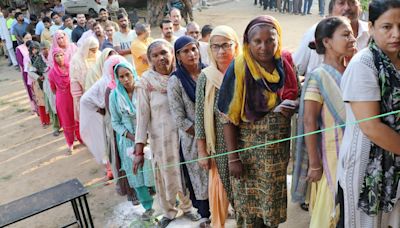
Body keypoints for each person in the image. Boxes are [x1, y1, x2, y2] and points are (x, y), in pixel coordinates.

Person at [217, 15, 299, 227]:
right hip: (248, 154)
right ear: (247, 42)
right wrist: (233, 158)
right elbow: (227, 117)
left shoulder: (284, 64)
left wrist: (290, 105)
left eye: (270, 40)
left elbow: (293, 94)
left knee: (271, 207)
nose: (264, 47)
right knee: (250, 208)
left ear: (278, 39)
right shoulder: (239, 68)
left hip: (276, 153)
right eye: (257, 41)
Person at [338, 0, 400, 227]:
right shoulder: (364, 64)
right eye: (387, 27)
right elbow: (372, 128)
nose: (396, 34)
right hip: (369, 166)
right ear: (371, 27)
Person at [295, 16, 356, 227]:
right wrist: (314, 164)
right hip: (332, 154)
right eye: (346, 34)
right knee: (332, 208)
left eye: (352, 33)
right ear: (327, 42)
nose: (353, 38)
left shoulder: (352, 71)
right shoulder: (317, 76)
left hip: (354, 153)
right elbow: (309, 121)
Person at [135, 39, 200, 228]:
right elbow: (142, 118)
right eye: (155, 55)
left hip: (187, 135)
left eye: (164, 53)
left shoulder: (183, 76)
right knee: (164, 174)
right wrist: (139, 150)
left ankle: (189, 208)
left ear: (173, 54)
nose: (161, 58)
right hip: (161, 138)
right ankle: (169, 211)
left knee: (187, 171)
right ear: (150, 60)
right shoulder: (145, 83)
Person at [195, 25, 241, 228]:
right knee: (220, 190)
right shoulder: (206, 76)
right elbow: (199, 115)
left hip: (244, 141)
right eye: (215, 46)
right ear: (210, 49)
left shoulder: (243, 70)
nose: (221, 51)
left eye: (226, 45)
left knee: (242, 189)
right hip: (218, 145)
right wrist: (202, 150)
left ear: (235, 46)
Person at [168, 36, 209, 225]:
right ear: (178, 56)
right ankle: (205, 216)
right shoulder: (175, 81)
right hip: (192, 140)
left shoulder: (209, 72)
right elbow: (179, 119)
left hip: (217, 136)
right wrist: (203, 135)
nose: (192, 54)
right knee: (199, 178)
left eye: (194, 49)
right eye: (186, 51)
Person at [109, 61, 156, 220]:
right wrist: (132, 137)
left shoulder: (142, 89)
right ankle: (148, 207)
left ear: (133, 73)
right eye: (121, 77)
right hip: (128, 141)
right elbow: (115, 122)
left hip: (149, 135)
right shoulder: (114, 96)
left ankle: (169, 200)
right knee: (136, 175)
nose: (125, 79)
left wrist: (145, 136)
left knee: (155, 169)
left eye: (128, 75)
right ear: (117, 78)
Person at [293, 0, 369, 77]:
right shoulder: (314, 32)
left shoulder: (371, 33)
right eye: (341, 3)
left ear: (360, 7)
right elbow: (295, 69)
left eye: (352, 2)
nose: (347, 7)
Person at [48, 48, 82, 153]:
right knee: (67, 121)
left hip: (74, 96)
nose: (59, 58)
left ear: (65, 55)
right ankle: (70, 143)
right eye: (56, 56)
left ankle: (81, 138)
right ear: (53, 58)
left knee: (77, 118)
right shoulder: (52, 73)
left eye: (61, 55)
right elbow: (53, 89)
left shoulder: (71, 68)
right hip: (62, 99)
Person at [70, 36, 100, 123]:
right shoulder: (77, 60)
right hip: (84, 93)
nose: (95, 52)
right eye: (92, 50)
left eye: (96, 49)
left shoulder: (99, 55)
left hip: (99, 92)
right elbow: (74, 79)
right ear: (87, 48)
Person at [27, 41, 52, 128]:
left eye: (36, 48)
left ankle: (51, 118)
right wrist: (38, 77)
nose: (35, 51)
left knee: (49, 100)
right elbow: (30, 71)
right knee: (41, 102)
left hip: (47, 80)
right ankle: (44, 121)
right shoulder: (30, 60)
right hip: (38, 83)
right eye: (33, 49)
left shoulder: (44, 57)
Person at [40, 40, 61, 136]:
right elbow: (32, 70)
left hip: (59, 84)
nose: (45, 51)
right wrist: (39, 76)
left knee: (61, 106)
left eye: (46, 48)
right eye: (43, 49)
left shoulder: (56, 56)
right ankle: (56, 127)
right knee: (52, 107)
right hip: (48, 85)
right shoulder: (39, 59)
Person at [16, 33, 36, 114]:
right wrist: (30, 69)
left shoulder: (34, 45)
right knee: (30, 88)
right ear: (23, 39)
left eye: (30, 37)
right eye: (27, 38)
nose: (29, 39)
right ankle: (34, 106)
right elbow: (21, 62)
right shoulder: (19, 48)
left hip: (36, 70)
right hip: (26, 72)